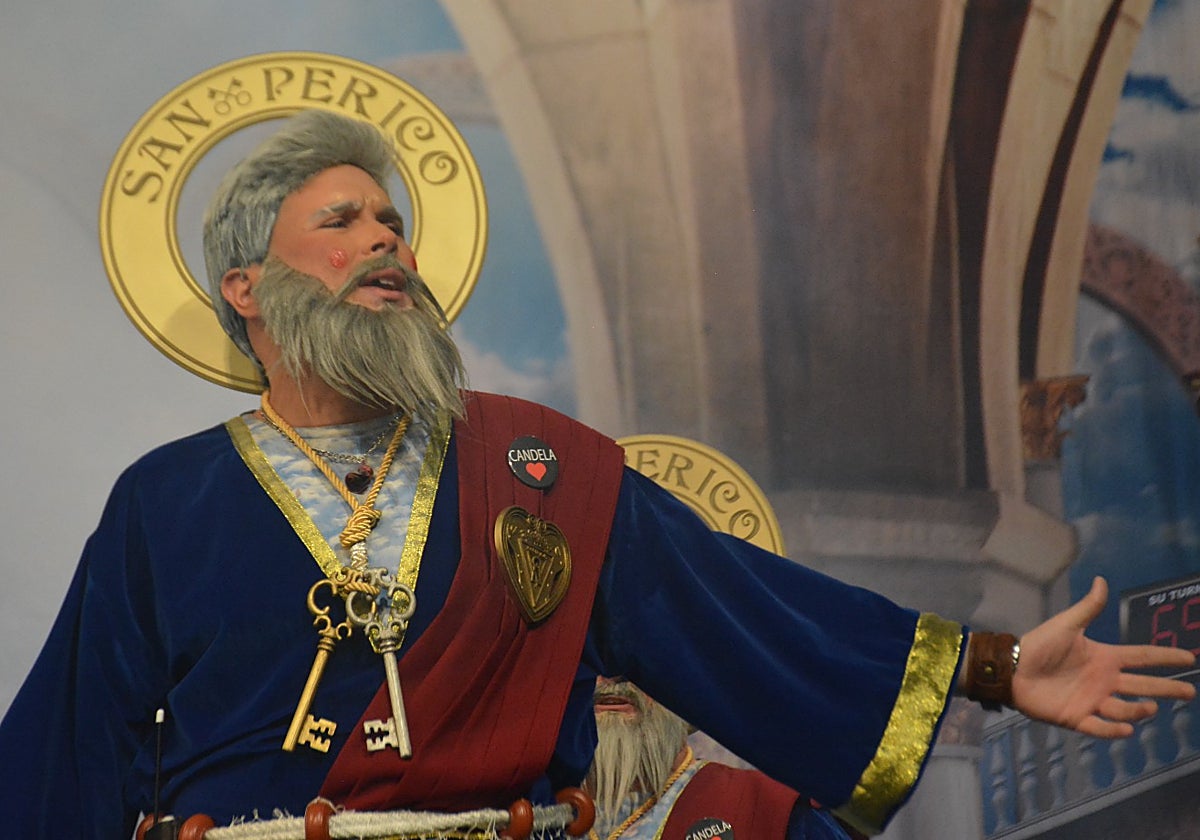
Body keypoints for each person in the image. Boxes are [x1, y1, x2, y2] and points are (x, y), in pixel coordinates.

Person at [0, 109, 1193, 840]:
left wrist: (995, 667)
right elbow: (64, 760)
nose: (385, 242)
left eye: (393, 224)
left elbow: (743, 613)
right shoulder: (164, 504)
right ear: (247, 289)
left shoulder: (539, 467)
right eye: (344, 222)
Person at [585, 676, 860, 839]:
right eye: (595, 655)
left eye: (634, 657)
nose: (612, 678)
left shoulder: (774, 811)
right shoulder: (555, 809)